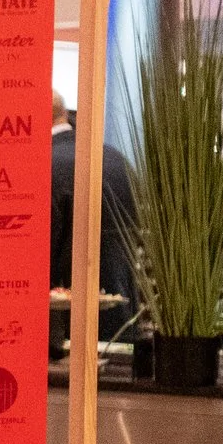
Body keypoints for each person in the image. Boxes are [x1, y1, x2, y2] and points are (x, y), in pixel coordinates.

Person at [49, 93, 138, 336]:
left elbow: (44, 251)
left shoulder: (45, 164)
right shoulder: (115, 158)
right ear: (64, 114)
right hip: (124, 317)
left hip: (65, 328)